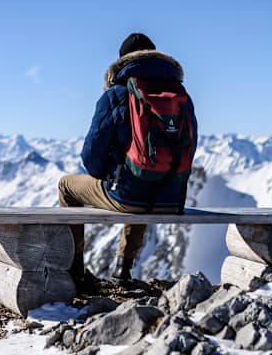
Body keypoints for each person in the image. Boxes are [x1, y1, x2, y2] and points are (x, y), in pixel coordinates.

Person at [59, 32, 198, 286]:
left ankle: (74, 269)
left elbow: (91, 157)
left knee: (67, 186)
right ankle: (123, 269)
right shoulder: (180, 96)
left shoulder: (116, 94)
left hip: (129, 198)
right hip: (172, 199)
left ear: (123, 61)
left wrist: (108, 174)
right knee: (145, 179)